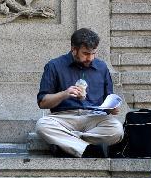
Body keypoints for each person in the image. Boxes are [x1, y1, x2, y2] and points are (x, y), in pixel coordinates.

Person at [36, 27, 123, 158]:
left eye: (94, 53)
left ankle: (68, 143)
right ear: (74, 49)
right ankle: (87, 149)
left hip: (94, 118)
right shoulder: (54, 65)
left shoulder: (102, 67)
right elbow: (43, 103)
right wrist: (64, 94)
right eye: (86, 53)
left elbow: (109, 99)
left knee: (117, 129)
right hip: (64, 118)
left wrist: (112, 108)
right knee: (42, 125)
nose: (90, 58)